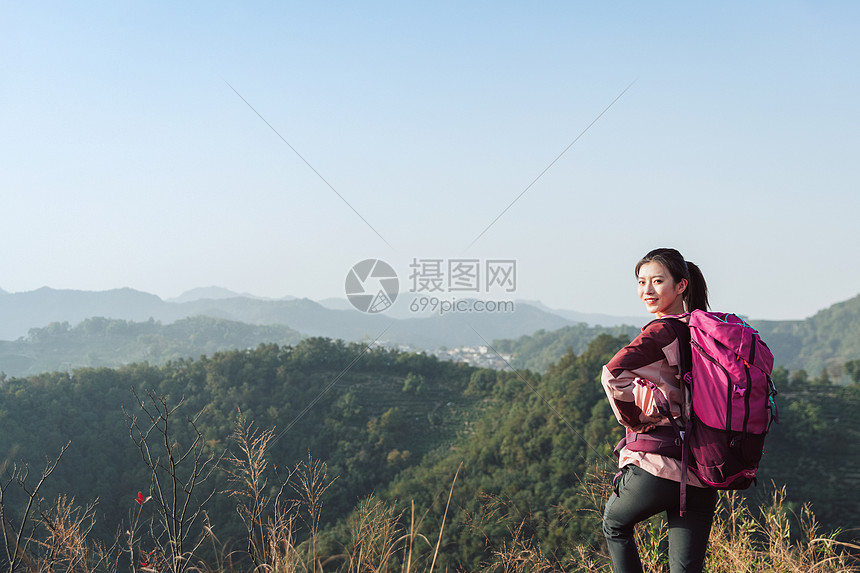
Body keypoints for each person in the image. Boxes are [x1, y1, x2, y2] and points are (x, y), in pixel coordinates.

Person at [601, 248, 717, 573]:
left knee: (615, 524)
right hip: (704, 471)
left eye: (657, 281)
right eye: (641, 282)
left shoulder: (661, 331)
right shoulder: (704, 332)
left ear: (681, 285)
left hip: (660, 467)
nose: (647, 290)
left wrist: (636, 419)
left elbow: (612, 373)